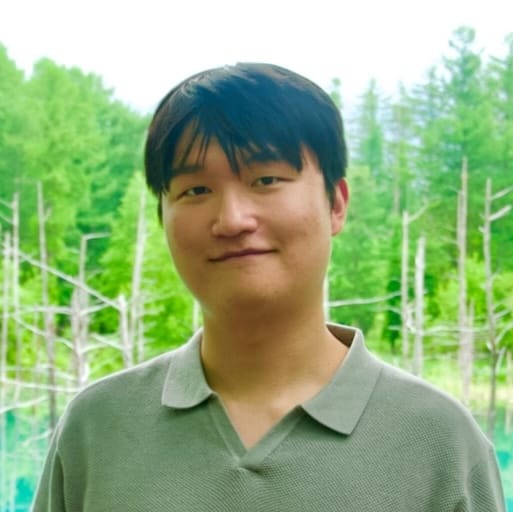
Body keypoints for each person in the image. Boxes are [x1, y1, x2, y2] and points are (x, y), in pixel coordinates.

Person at [32, 63, 505, 511]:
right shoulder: (97, 428)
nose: (232, 219)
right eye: (196, 190)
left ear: (336, 204)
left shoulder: (440, 443)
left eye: (266, 179)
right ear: (162, 216)